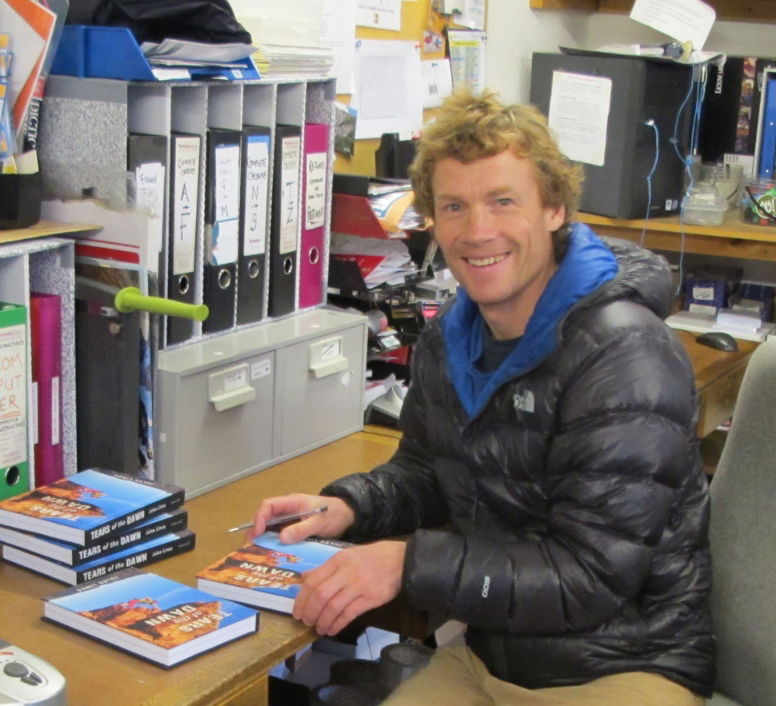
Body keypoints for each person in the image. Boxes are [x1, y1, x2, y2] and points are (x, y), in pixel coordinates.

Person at [249, 90, 715, 705]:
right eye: (454, 207)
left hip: (624, 665)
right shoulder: (450, 338)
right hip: (493, 654)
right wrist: (352, 506)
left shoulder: (625, 353)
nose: (478, 231)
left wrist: (409, 562)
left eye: (502, 201)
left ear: (553, 209)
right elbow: (429, 471)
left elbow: (591, 577)